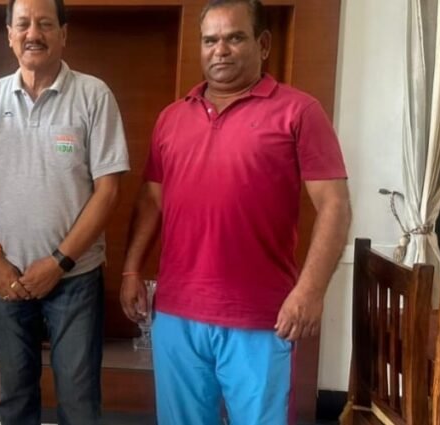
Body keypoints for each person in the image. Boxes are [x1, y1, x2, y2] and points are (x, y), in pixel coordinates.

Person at [119, 0, 352, 424]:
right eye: (210, 40)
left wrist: (310, 291)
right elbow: (152, 199)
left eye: (234, 38)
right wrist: (131, 269)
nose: (220, 50)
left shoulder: (299, 112)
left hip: (260, 318)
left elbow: (334, 206)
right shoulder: (172, 118)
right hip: (177, 314)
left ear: (263, 44)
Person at [0, 0, 129, 422]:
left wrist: (58, 262)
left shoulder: (93, 95)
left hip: (75, 279)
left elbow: (108, 191)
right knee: (15, 401)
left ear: (64, 33)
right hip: (8, 278)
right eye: (22, 24)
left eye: (44, 24)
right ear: (9, 34)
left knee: (79, 402)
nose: (33, 34)